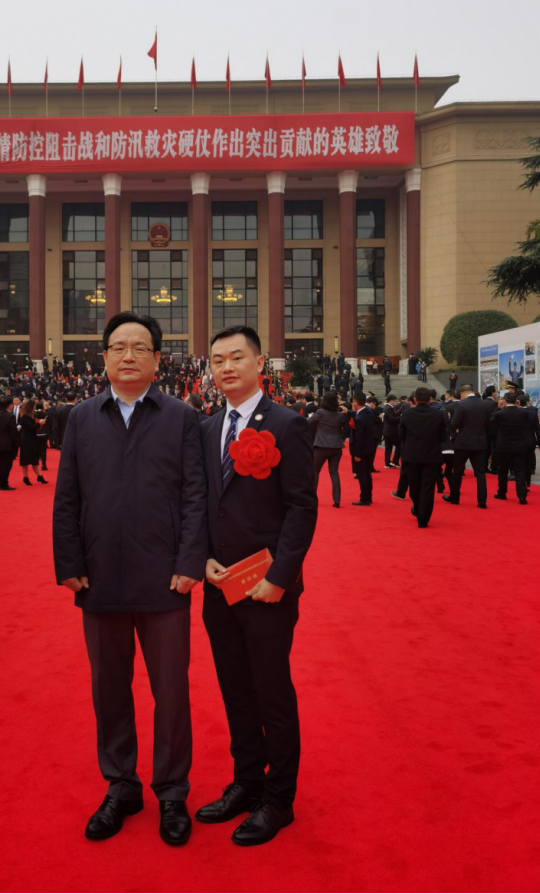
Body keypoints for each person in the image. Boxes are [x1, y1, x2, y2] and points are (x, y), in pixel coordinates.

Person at [53, 311, 207, 847]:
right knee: (109, 689)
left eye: (140, 347)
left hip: (166, 582)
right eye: (118, 346)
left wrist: (190, 562)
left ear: (158, 359)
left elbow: (194, 495)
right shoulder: (81, 417)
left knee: (172, 693)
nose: (128, 355)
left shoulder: (181, 416)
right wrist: (69, 563)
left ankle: (172, 791)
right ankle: (121, 785)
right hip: (99, 579)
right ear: (104, 357)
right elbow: (67, 496)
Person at [195, 325, 317, 846]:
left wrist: (278, 578)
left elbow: (301, 508)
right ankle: (246, 781)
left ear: (260, 363)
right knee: (235, 691)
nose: (226, 367)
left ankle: (279, 799)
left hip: (267, 590)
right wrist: (201, 558)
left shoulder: (287, 425)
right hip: (220, 587)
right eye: (217, 360)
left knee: (272, 693)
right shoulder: (206, 428)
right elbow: (201, 503)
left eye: (236, 357)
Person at [399, 386, 447, 528]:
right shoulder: (438, 414)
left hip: (411, 455)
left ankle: (418, 509)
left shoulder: (407, 414)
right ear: (430, 399)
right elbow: (443, 436)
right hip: (431, 456)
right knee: (428, 488)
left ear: (415, 399)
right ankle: (423, 518)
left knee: (414, 486)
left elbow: (402, 436)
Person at [443, 385, 494, 508]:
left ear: (462, 393)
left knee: (457, 471)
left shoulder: (461, 405)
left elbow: (454, 423)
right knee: (480, 473)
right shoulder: (486, 404)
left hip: (463, 442)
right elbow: (489, 424)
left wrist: (459, 428)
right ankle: (482, 501)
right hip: (480, 442)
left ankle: (455, 497)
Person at [309, 391, 349, 508]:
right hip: (336, 447)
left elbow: (308, 422)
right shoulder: (340, 415)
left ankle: (312, 498)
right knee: (334, 473)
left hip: (322, 446)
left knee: (315, 472)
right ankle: (337, 500)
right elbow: (345, 428)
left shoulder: (320, 412)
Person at [491, 393, 530, 504]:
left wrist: (499, 409)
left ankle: (502, 492)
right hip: (519, 445)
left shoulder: (499, 414)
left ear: (505, 401)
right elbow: (526, 428)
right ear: (516, 401)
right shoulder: (523, 413)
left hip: (503, 446)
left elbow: (492, 425)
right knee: (520, 470)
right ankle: (522, 496)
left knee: (503, 470)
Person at [349, 393, 375, 506]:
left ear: (355, 402)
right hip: (369, 448)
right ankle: (368, 496)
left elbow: (359, 438)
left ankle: (365, 498)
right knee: (367, 474)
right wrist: (348, 412)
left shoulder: (359, 419)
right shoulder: (368, 412)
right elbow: (356, 413)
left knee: (362, 475)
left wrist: (357, 454)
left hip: (361, 450)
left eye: (353, 402)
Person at [18, 400, 47, 485]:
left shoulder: (30, 416)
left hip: (32, 439)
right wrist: (39, 423)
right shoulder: (24, 417)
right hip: (26, 440)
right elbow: (31, 427)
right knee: (26, 460)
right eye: (33, 406)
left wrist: (40, 424)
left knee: (34, 459)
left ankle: (39, 476)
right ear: (30, 407)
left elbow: (33, 427)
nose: (35, 408)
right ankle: (26, 477)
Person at [0, 396, 19, 490]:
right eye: (12, 404)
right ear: (9, 405)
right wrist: (16, 445)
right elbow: (13, 432)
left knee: (1, 464)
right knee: (7, 465)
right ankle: (4, 484)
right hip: (8, 444)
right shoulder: (10, 416)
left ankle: (2, 482)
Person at [382, 394, 402, 468]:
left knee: (388, 447)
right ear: (391, 401)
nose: (395, 403)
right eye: (394, 401)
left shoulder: (386, 407)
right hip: (391, 431)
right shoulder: (388, 408)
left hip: (387, 431)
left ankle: (387, 463)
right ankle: (395, 461)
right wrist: (401, 417)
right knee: (399, 445)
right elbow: (392, 419)